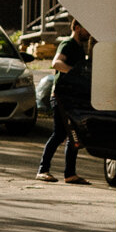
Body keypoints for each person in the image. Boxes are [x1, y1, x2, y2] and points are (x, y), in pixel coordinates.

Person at [37, 32, 90, 183]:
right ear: (77, 27)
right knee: (60, 134)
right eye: (85, 28)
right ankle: (42, 170)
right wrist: (74, 73)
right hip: (61, 96)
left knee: (74, 135)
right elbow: (56, 63)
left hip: (72, 96)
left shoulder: (80, 47)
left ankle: (70, 174)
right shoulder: (67, 43)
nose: (88, 32)